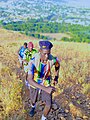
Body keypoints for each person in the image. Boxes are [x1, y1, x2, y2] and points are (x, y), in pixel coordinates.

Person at [27, 40, 60, 120]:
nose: (46, 56)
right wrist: (45, 89)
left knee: (48, 105)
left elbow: (57, 65)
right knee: (33, 99)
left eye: (48, 54)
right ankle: (33, 107)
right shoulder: (33, 61)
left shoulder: (52, 59)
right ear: (40, 51)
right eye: (44, 54)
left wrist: (56, 77)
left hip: (46, 82)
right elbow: (29, 79)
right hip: (35, 82)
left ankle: (43, 118)